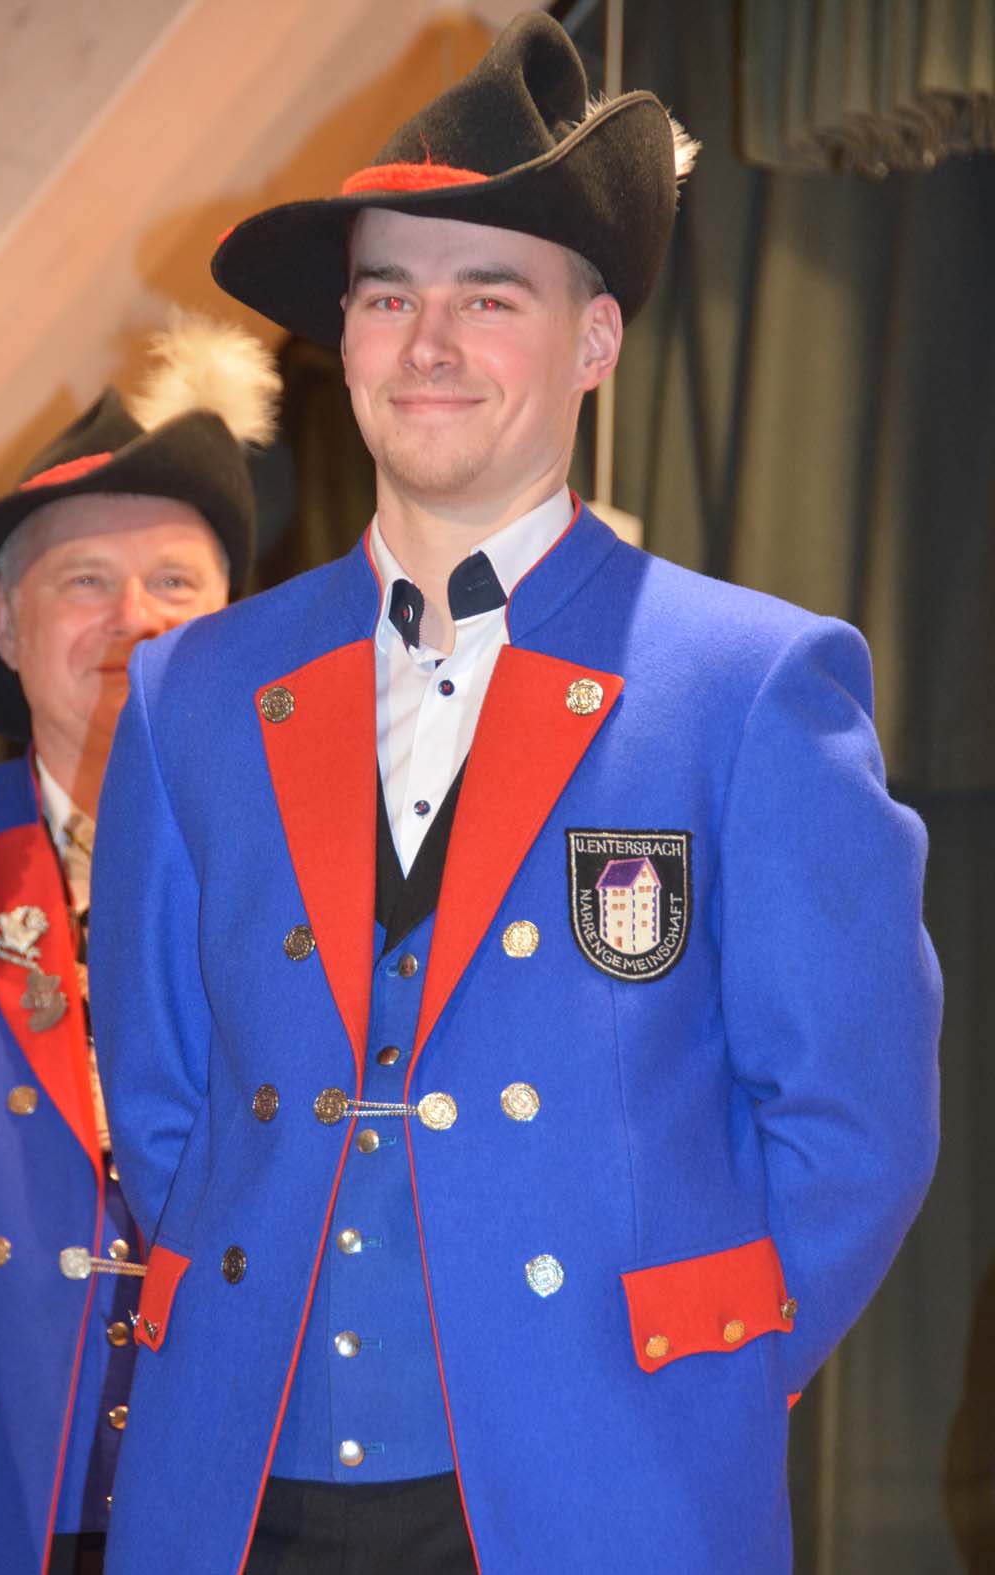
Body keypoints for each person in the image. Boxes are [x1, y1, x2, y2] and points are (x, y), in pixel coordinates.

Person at [89, 14, 941, 1574]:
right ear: (344, 337)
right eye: (387, 295)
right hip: (239, 1486)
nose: (428, 342)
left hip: (602, 1486)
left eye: (489, 296)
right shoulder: (189, 692)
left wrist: (685, 1377)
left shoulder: (750, 684)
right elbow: (162, 1101)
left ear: (595, 341)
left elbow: (854, 1122)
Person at [0, 314, 280, 1575]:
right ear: (6, 621)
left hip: (239, 1489)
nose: (135, 621)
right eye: (85, 581)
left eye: (176, 586)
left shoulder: (328, 884)